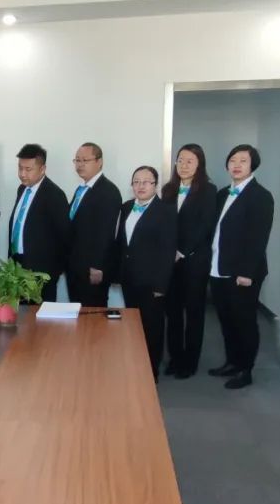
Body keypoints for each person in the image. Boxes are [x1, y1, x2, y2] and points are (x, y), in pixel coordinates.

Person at [208, 144, 274, 390]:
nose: (236, 165)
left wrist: (246, 272)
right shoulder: (223, 194)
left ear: (252, 165)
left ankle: (246, 370)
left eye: (243, 161)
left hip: (243, 272)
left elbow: (258, 238)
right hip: (218, 267)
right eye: (233, 160)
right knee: (226, 319)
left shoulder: (261, 196)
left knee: (244, 321)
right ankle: (232, 362)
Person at [115, 166, 178, 381]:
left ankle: (151, 370)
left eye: (146, 182)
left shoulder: (166, 211)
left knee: (152, 327)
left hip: (152, 282)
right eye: (136, 182)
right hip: (129, 278)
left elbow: (168, 251)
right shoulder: (126, 207)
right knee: (133, 325)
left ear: (155, 185)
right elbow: (122, 244)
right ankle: (136, 365)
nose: (140, 186)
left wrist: (161, 285)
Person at [160, 143, 217, 379]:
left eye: (190, 161)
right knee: (172, 312)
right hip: (170, 262)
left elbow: (205, 226)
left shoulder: (208, 190)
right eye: (180, 160)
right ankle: (175, 357)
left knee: (194, 313)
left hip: (194, 261)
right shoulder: (168, 189)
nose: (184, 165)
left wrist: (182, 251)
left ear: (199, 164)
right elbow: (163, 224)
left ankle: (190, 362)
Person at [8, 144, 69, 302]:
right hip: (17, 265)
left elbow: (64, 235)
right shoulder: (22, 189)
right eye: (20, 168)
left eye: (28, 169)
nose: (22, 174)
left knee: (40, 314)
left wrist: (54, 272)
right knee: (20, 312)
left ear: (42, 169)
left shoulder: (54, 195)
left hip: (42, 271)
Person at [66, 142, 122, 307]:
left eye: (85, 160)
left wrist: (97, 266)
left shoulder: (108, 191)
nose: (80, 164)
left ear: (99, 162)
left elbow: (106, 233)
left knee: (93, 315)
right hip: (75, 266)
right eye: (77, 160)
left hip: (92, 270)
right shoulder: (81, 189)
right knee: (77, 312)